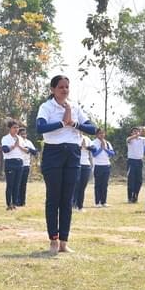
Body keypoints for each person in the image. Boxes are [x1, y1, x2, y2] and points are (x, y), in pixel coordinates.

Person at [36, 75, 98, 255]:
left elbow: (92, 129)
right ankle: (53, 240)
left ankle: (64, 241)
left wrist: (75, 123)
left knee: (67, 199)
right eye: (61, 87)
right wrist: (63, 123)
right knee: (53, 198)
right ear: (52, 89)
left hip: (73, 154)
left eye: (67, 87)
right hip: (53, 153)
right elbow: (40, 127)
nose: (64, 90)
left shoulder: (75, 107)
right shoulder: (46, 107)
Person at [1, 120, 25, 211]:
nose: (16, 129)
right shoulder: (5, 138)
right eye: (14, 127)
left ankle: (15, 204)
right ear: (9, 128)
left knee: (17, 185)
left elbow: (25, 149)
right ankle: (9, 204)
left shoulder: (20, 138)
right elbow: (5, 150)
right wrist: (14, 145)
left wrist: (20, 146)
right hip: (10, 162)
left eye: (17, 127)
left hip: (20, 162)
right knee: (10, 184)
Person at [90, 128, 115, 208]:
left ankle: (104, 202)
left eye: (103, 133)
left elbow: (112, 154)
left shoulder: (107, 143)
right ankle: (97, 202)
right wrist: (101, 148)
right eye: (100, 133)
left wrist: (105, 149)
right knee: (98, 184)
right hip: (97, 166)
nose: (102, 135)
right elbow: (94, 154)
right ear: (97, 134)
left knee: (105, 185)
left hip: (106, 165)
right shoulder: (93, 143)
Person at [17, 127, 38, 207]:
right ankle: (16, 201)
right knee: (17, 183)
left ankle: (22, 201)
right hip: (18, 164)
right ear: (18, 134)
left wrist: (28, 149)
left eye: (25, 134)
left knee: (23, 184)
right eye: (22, 134)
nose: (24, 135)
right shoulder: (16, 141)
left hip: (26, 165)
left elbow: (35, 152)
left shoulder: (28, 142)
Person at [73, 130, 93, 211]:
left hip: (86, 164)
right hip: (76, 164)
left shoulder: (87, 139)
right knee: (76, 185)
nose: (80, 131)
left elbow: (94, 148)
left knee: (82, 187)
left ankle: (80, 206)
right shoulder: (73, 137)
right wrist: (80, 147)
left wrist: (86, 147)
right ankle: (73, 205)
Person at [126, 127, 145, 203]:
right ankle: (130, 197)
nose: (136, 132)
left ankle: (135, 196)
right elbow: (128, 140)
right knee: (131, 180)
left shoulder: (142, 139)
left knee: (139, 180)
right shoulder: (130, 139)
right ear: (131, 133)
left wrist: (144, 131)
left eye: (137, 131)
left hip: (139, 161)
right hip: (131, 161)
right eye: (134, 131)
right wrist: (138, 134)